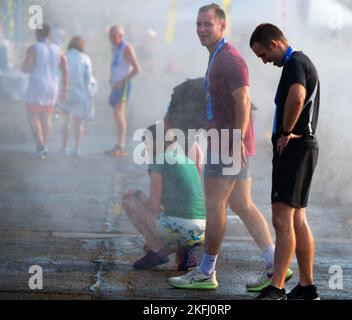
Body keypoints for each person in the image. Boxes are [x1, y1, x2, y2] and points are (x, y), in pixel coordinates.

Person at [168, 4, 292, 291]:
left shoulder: (229, 59)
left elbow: (243, 101)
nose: (201, 29)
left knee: (215, 206)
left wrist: (233, 140)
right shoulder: (217, 57)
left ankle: (206, 271)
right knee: (241, 204)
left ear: (222, 26)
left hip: (228, 143)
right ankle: (276, 264)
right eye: (198, 24)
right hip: (227, 141)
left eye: (208, 24)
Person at [250, 23, 320, 300]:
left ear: (274, 44)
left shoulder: (294, 63)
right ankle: (307, 287)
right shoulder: (301, 62)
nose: (264, 61)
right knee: (297, 218)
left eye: (262, 54)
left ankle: (277, 286)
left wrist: (286, 131)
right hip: (305, 147)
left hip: (296, 146)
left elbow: (297, 96)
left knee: (281, 219)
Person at [122, 122, 206, 271]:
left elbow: (154, 206)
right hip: (201, 231)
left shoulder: (158, 161)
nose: (145, 148)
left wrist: (138, 195)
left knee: (129, 201)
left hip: (182, 227)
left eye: (146, 143)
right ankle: (185, 251)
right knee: (146, 246)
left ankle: (156, 251)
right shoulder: (185, 159)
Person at [22, 24, 68, 159]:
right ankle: (43, 146)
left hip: (37, 85)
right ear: (49, 35)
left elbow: (26, 67)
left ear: (37, 34)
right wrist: (65, 88)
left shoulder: (34, 48)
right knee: (46, 117)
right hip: (53, 86)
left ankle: (41, 144)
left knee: (33, 116)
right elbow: (65, 70)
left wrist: (23, 65)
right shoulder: (58, 50)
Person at [106, 25, 140, 157]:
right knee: (116, 115)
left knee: (119, 114)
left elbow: (137, 69)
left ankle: (121, 147)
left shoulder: (127, 48)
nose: (111, 38)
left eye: (114, 36)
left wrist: (121, 81)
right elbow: (115, 66)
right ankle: (118, 145)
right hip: (115, 85)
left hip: (124, 85)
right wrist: (111, 80)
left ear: (121, 36)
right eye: (110, 36)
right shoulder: (114, 48)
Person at [60, 36, 97, 157]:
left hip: (66, 93)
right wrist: (90, 94)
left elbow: (60, 74)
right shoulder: (85, 59)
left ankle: (64, 147)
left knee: (66, 121)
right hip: (80, 94)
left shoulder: (64, 55)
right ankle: (77, 148)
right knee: (78, 122)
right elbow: (89, 79)